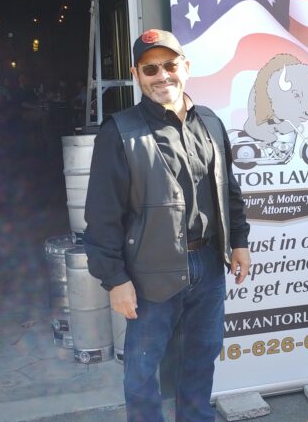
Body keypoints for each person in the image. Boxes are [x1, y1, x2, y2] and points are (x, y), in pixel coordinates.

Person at [83, 29, 251, 422]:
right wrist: (115, 279)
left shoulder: (210, 122)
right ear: (136, 74)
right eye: (151, 68)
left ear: (186, 68)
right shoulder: (118, 132)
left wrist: (239, 241)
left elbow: (229, 189)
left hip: (208, 267)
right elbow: (101, 215)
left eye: (170, 65)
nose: (163, 76)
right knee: (143, 372)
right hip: (147, 274)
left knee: (201, 359)